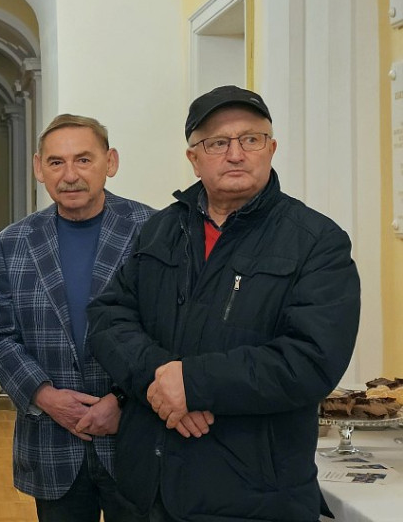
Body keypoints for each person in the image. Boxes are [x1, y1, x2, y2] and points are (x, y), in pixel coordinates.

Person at [87, 86, 361, 522]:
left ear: (271, 148)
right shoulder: (160, 230)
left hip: (253, 497)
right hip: (146, 491)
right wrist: (161, 377)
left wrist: (194, 383)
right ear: (194, 159)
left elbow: (311, 359)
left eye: (250, 139)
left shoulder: (317, 242)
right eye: (217, 143)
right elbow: (108, 317)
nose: (236, 154)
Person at [0, 114, 152, 522]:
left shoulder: (153, 230)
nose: (70, 175)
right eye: (56, 162)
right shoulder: (12, 243)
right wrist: (44, 396)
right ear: (39, 168)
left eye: (83, 160)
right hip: (52, 443)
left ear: (110, 162)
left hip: (134, 438)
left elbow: (169, 330)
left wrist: (123, 401)